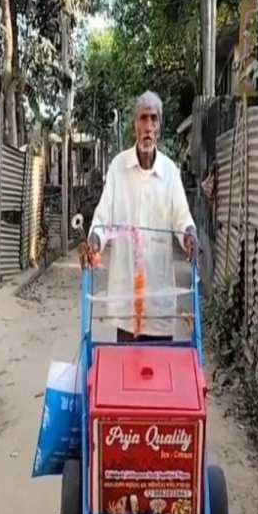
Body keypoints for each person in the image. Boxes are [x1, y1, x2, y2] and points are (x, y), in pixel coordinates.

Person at [78, 91, 199, 342]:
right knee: (127, 375)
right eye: (143, 119)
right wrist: (94, 242)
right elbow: (102, 218)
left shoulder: (170, 172)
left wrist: (189, 235)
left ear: (159, 127)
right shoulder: (118, 168)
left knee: (158, 378)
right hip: (126, 299)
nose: (148, 127)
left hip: (159, 301)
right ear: (135, 125)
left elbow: (182, 218)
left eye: (153, 119)